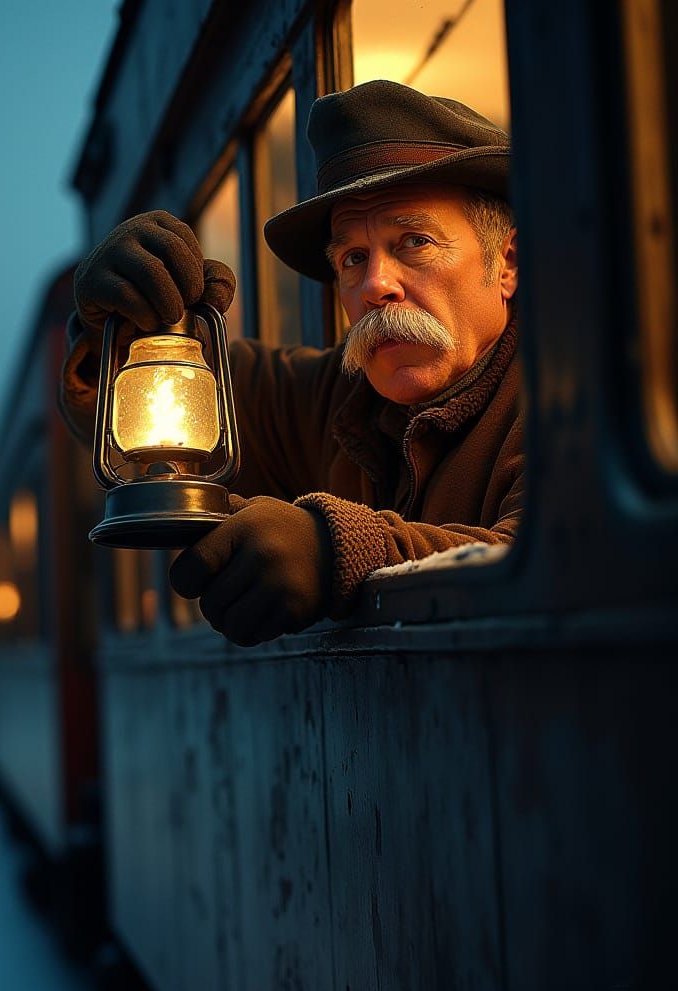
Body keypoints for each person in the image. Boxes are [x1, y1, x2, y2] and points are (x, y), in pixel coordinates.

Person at [59, 80, 520, 646]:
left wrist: (336, 550)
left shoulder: (571, 393)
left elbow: (551, 557)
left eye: (414, 242)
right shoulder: (338, 398)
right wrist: (114, 327)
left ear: (507, 263)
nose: (375, 284)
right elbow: (146, 400)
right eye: (353, 257)